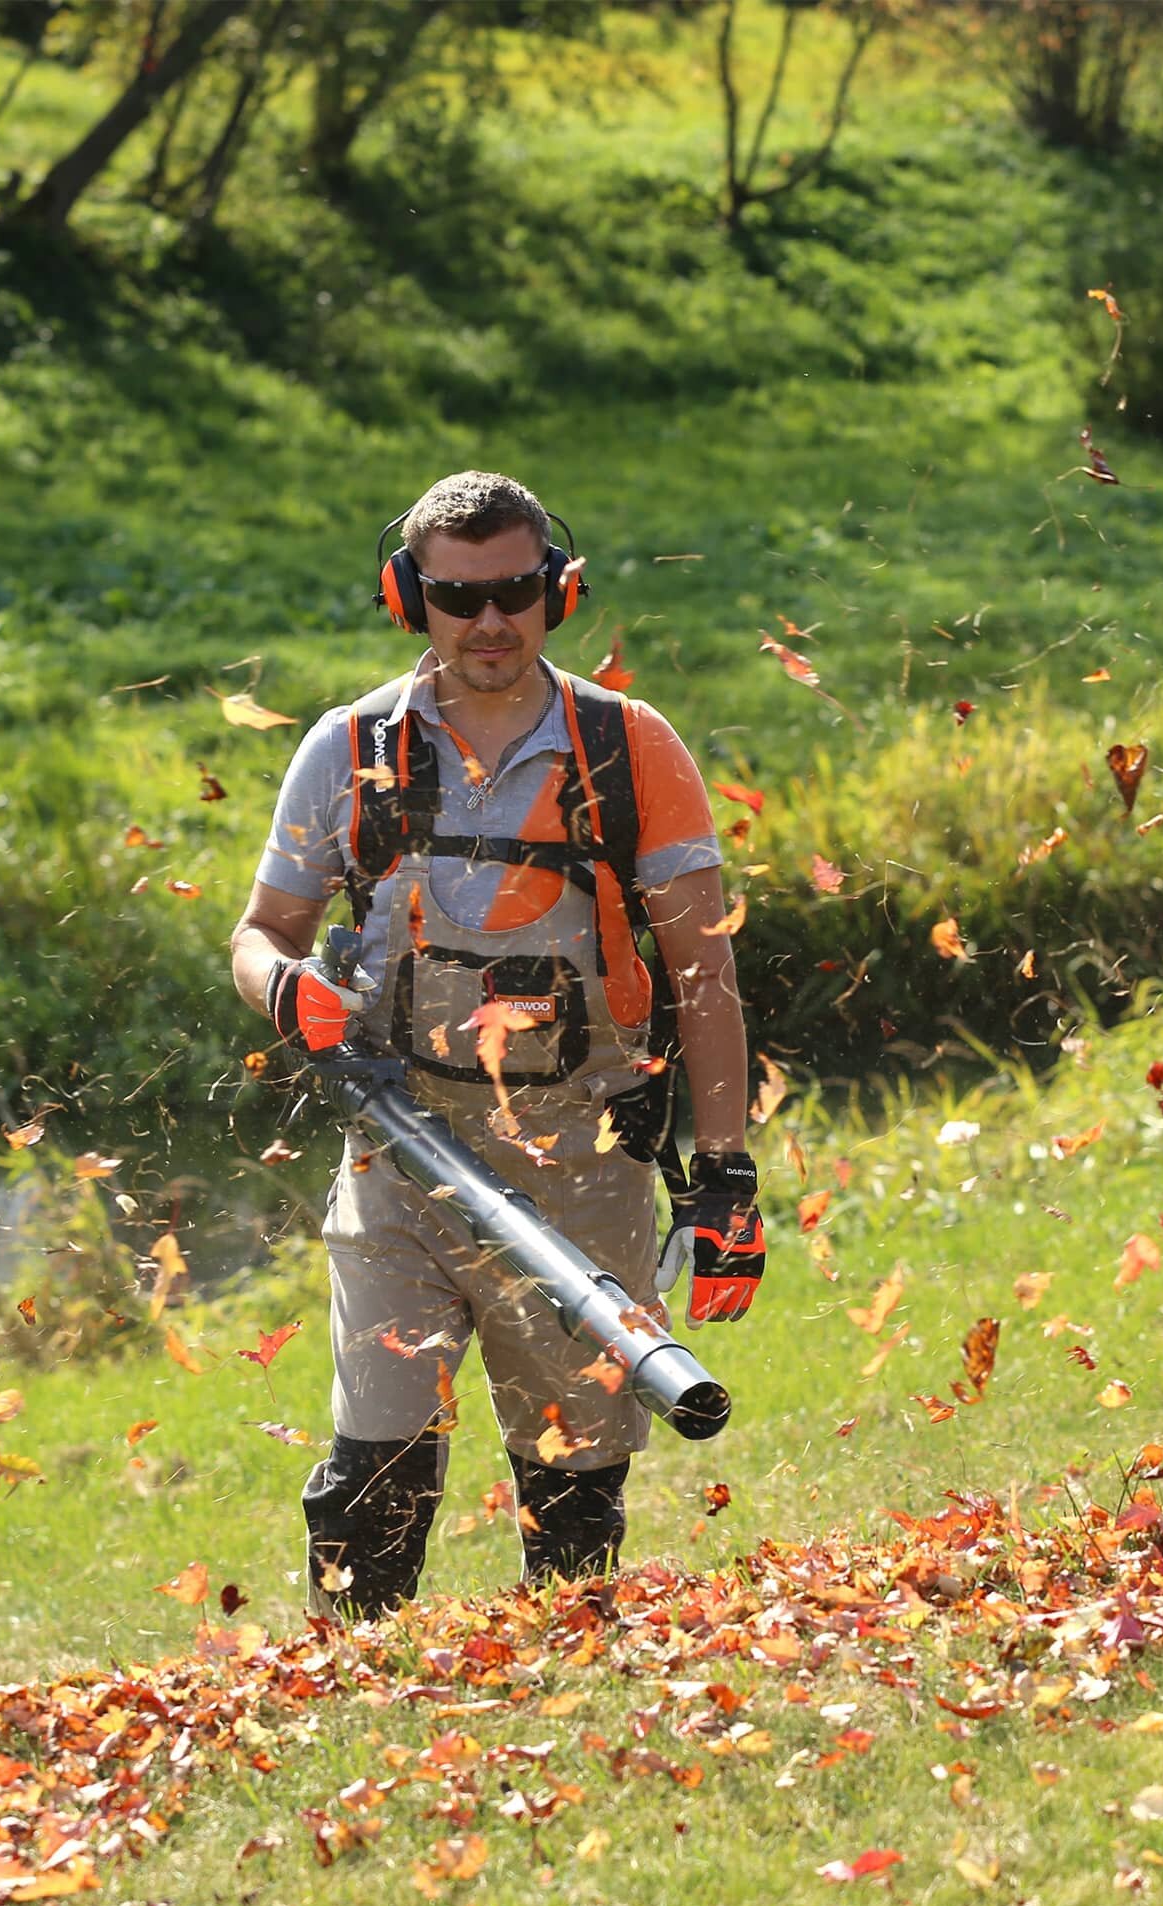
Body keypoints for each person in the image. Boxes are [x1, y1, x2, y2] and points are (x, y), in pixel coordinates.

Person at [228, 470, 765, 1617]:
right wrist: (285, 991)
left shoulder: (628, 752)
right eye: (457, 596)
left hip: (584, 1159)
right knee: (374, 1467)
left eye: (514, 591)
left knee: (572, 1478)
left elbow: (705, 976)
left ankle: (568, 1683)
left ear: (555, 591)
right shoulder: (348, 749)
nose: (488, 622)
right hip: (402, 1151)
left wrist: (723, 1178)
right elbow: (260, 932)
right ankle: (350, 1690)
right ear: (406, 596)